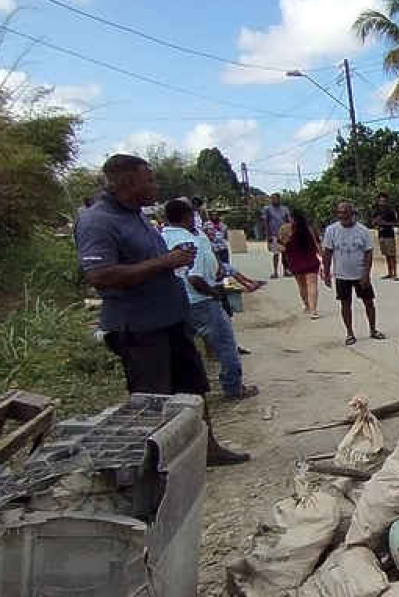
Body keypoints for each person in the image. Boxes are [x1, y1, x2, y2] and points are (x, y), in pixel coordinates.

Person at [74, 154, 249, 466]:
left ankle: (207, 449)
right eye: (149, 178)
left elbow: (148, 262)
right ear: (128, 182)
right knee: (155, 401)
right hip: (140, 329)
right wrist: (164, 262)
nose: (155, 185)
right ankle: (159, 469)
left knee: (193, 389)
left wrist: (174, 257)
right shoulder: (97, 221)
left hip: (170, 321)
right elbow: (99, 275)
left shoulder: (136, 216)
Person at [162, 198, 259, 402]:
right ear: (188, 216)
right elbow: (195, 277)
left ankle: (186, 392)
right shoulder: (190, 242)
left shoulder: (163, 237)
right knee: (226, 344)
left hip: (176, 301)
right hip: (201, 300)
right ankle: (233, 387)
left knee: (186, 348)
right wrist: (213, 294)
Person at [321, 201, 383, 345]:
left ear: (352, 213)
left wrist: (366, 274)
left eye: (345, 212)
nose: (342, 216)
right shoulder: (331, 230)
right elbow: (327, 252)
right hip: (342, 275)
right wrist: (326, 272)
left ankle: (373, 330)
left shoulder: (362, 230)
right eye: (339, 213)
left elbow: (368, 252)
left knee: (369, 303)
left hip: (360, 274)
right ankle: (350, 333)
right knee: (345, 304)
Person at [280, 207, 322, 319]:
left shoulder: (287, 230)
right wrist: (323, 258)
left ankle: (307, 306)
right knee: (312, 285)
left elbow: (283, 247)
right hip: (311, 261)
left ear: (292, 218)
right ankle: (314, 311)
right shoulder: (309, 229)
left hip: (296, 262)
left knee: (302, 286)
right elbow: (316, 244)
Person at [369, 192, 399, 280]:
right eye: (380, 200)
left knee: (392, 254)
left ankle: (395, 273)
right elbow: (372, 222)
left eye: (384, 200)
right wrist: (376, 222)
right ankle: (389, 272)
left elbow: (396, 223)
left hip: (389, 234)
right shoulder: (376, 210)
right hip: (381, 235)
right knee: (386, 254)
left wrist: (385, 223)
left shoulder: (390, 211)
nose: (382, 202)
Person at [260, 193, 291, 278]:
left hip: (284, 235)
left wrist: (290, 233)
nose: (274, 200)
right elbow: (266, 222)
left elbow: (289, 221)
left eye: (276, 199)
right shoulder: (268, 209)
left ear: (279, 199)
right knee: (276, 253)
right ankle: (275, 272)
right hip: (273, 234)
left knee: (285, 254)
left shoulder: (285, 209)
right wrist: (267, 235)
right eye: (272, 199)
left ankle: (286, 271)